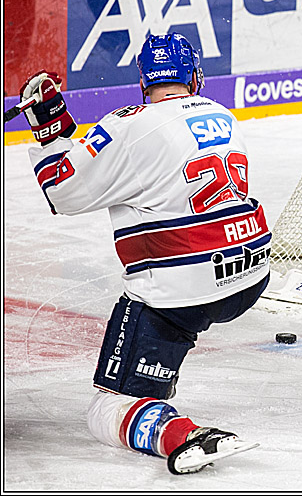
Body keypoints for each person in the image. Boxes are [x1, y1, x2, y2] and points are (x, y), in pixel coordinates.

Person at [22, 33, 270, 475]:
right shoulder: (225, 115)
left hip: (182, 290)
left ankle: (183, 435)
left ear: (143, 82)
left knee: (108, 408)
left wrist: (49, 129)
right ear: (195, 77)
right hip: (250, 273)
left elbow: (62, 192)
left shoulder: (126, 123)